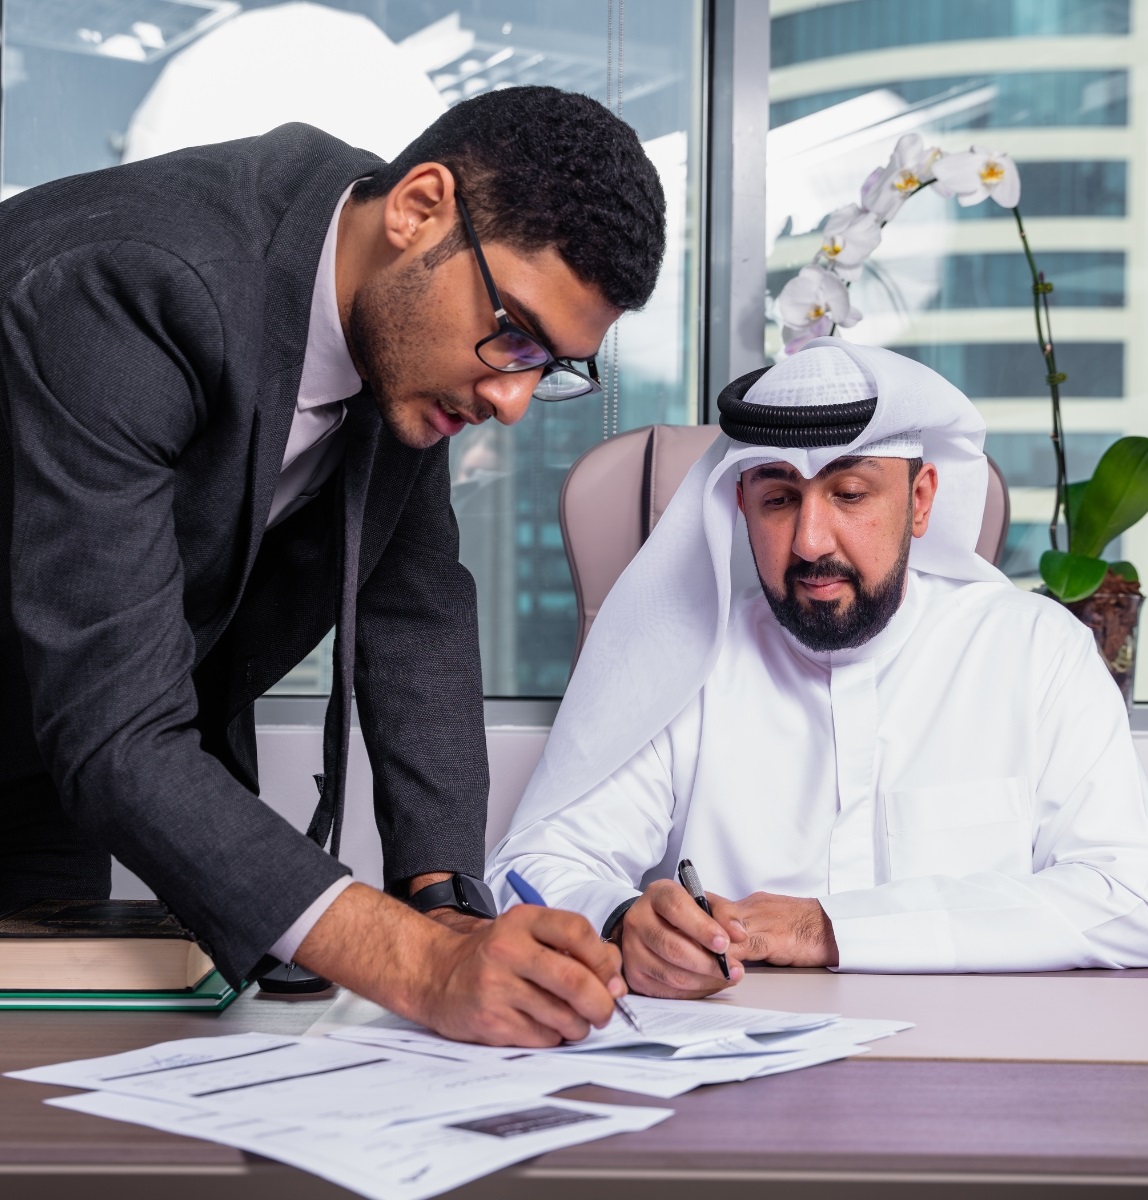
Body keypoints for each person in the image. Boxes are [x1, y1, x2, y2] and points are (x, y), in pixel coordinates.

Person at [0, 86, 666, 1044]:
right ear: (419, 208)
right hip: (88, 734)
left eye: (550, 365)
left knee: (39, 1078)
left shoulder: (398, 315)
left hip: (39, 774)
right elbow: (120, 730)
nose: (514, 401)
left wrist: (447, 908)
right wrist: (420, 965)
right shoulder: (137, 282)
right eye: (514, 334)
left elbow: (416, 610)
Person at [486, 341, 1148, 997]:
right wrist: (620, 921)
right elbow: (531, 868)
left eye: (849, 494)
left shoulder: (1036, 652)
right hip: (738, 1061)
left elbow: (1137, 902)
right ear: (740, 504)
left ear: (920, 500)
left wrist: (825, 927)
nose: (811, 542)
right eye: (779, 498)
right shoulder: (683, 665)